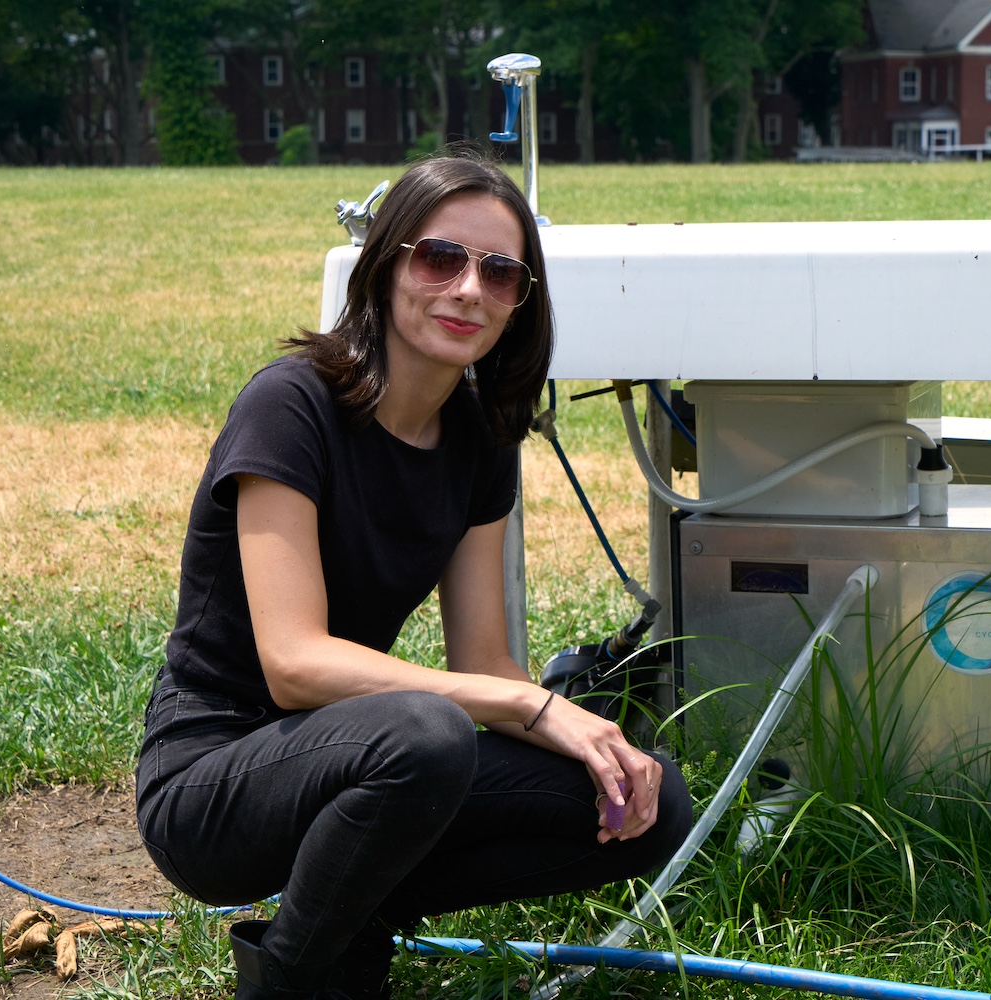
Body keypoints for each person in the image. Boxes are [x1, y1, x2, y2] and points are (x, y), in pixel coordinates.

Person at [135, 149, 692, 1000]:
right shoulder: (291, 406)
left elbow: (486, 661)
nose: (469, 289)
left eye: (500, 273)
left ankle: (350, 914)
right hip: (213, 779)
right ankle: (288, 978)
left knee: (647, 804)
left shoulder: (477, 442)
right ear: (386, 263)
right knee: (426, 738)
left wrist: (591, 736)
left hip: (365, 757)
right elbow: (294, 665)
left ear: (519, 304)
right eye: (441, 258)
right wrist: (523, 701)